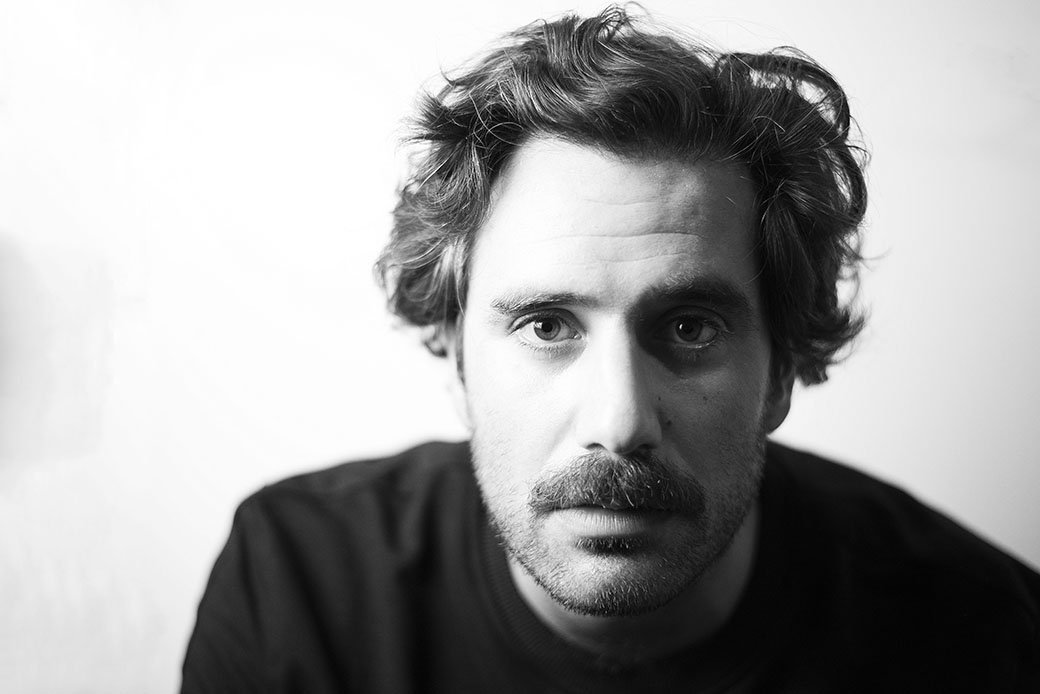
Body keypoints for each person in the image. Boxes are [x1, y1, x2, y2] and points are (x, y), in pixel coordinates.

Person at [181, 7, 1040, 692]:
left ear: (781, 368)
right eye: (547, 326)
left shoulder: (982, 636)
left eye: (690, 328)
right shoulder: (297, 593)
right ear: (455, 358)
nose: (620, 421)